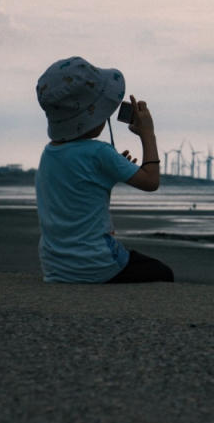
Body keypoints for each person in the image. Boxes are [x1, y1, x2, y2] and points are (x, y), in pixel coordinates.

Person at [34, 56, 173, 283]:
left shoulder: (49, 154)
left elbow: (78, 190)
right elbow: (151, 181)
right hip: (97, 265)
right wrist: (147, 133)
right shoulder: (100, 152)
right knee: (162, 273)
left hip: (55, 267)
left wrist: (109, 171)